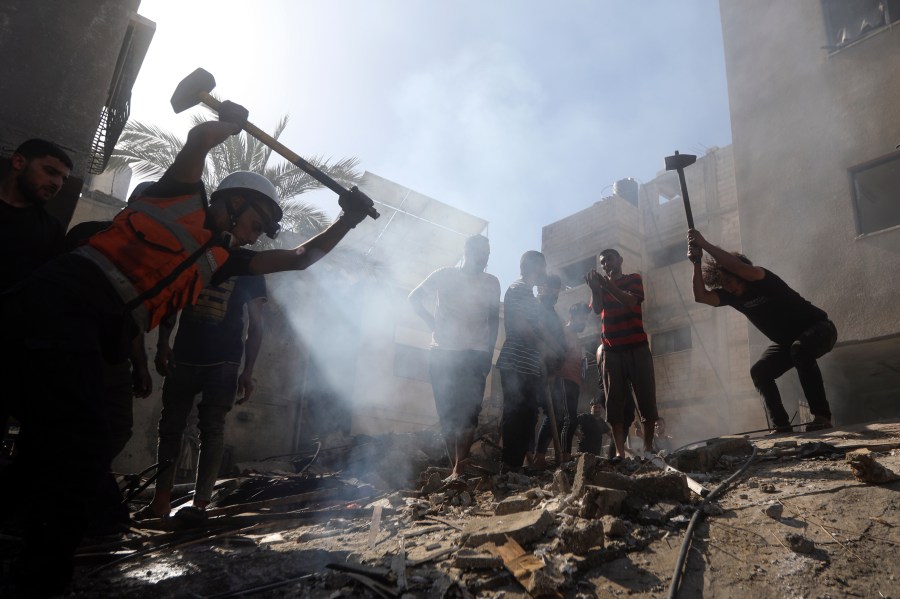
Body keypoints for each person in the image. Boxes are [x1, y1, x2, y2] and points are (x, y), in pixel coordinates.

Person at [0, 102, 373, 597]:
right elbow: (198, 142)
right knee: (81, 444)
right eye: (256, 222)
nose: (256, 235)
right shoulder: (179, 194)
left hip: (91, 331)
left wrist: (346, 221)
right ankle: (40, 579)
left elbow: (301, 259)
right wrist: (230, 124)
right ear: (234, 202)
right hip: (58, 302)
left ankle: (19, 537)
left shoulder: (223, 260)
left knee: (52, 444)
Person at [143, 270, 267, 521]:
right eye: (253, 227)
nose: (254, 235)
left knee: (209, 430)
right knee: (172, 428)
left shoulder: (249, 267)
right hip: (187, 358)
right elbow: (174, 302)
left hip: (222, 362)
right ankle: (161, 501)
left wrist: (248, 370)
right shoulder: (198, 255)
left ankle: (199, 505)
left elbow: (256, 323)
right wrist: (162, 344)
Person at [688, 228, 837, 433]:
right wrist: (696, 262)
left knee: (800, 349)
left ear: (739, 274)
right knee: (760, 371)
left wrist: (704, 244)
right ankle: (781, 426)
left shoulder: (760, 277)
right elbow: (701, 296)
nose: (728, 288)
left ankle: (822, 416)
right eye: (723, 284)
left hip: (820, 329)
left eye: (729, 280)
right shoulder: (733, 297)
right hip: (789, 344)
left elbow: (736, 266)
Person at [408, 234, 500, 481]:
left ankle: (460, 467)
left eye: (488, 255)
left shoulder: (492, 282)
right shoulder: (444, 275)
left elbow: (493, 323)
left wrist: (488, 355)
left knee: (469, 411)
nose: (485, 259)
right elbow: (413, 298)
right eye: (481, 253)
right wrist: (431, 323)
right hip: (443, 354)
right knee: (447, 414)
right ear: (467, 251)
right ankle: (454, 468)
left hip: (475, 354)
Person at [586, 248, 658, 458]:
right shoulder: (600, 286)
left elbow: (630, 302)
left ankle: (648, 447)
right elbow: (597, 309)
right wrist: (594, 289)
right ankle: (619, 452)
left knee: (646, 396)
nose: (606, 264)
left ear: (620, 260)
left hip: (637, 346)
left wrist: (607, 285)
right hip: (612, 349)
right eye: (603, 262)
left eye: (609, 259)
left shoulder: (633, 279)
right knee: (614, 401)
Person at [495, 251, 563, 472]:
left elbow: (540, 328)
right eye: (543, 266)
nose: (545, 271)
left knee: (528, 414)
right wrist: (543, 347)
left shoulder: (531, 296)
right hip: (515, 362)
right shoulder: (518, 289)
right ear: (534, 266)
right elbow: (521, 325)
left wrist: (555, 349)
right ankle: (509, 466)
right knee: (515, 413)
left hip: (530, 366)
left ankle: (516, 466)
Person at [0, 138, 71, 293]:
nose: (57, 184)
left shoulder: (52, 230)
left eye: (63, 180)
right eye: (50, 172)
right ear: (19, 162)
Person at [534, 301, 590, 466]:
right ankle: (561, 457)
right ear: (572, 316)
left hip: (573, 382)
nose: (584, 322)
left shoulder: (577, 338)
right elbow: (552, 354)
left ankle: (547, 455)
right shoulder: (563, 332)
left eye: (586, 320)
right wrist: (551, 376)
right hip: (562, 379)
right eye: (582, 318)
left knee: (559, 418)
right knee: (567, 419)